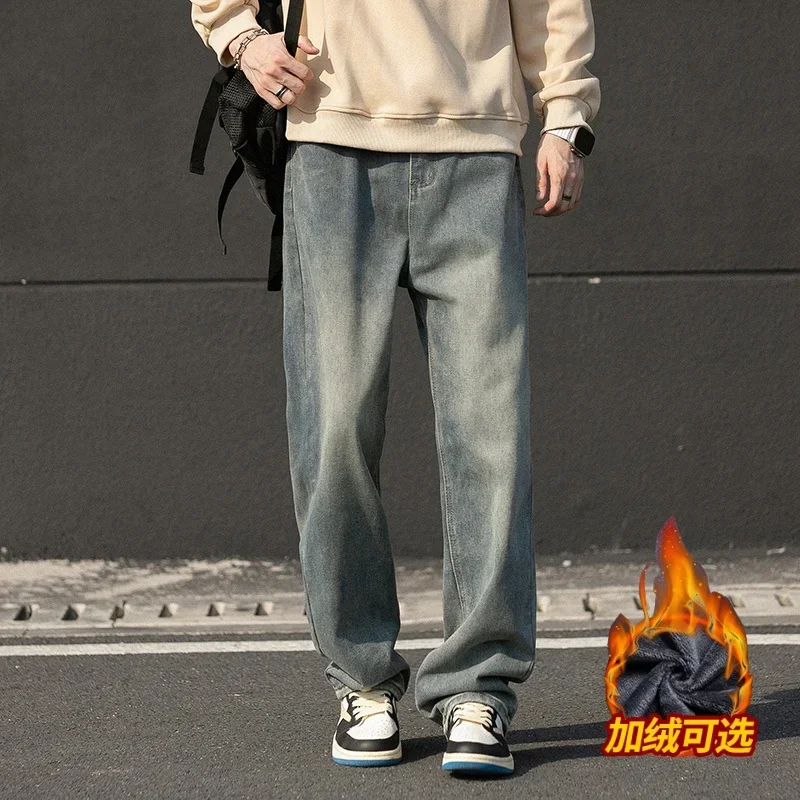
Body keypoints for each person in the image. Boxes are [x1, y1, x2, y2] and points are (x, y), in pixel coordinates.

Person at [190, 0, 600, 777]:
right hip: (331, 142)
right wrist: (240, 37)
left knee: (490, 433)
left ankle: (478, 687)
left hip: (475, 145)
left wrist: (566, 116)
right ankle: (361, 680)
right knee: (335, 428)